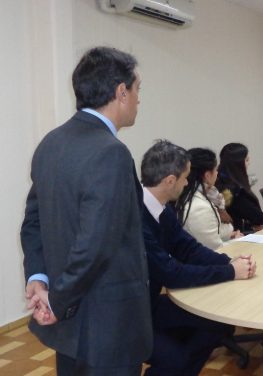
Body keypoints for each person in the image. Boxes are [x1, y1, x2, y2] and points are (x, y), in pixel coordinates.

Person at [19, 47, 152, 375]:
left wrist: (39, 278)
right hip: (107, 326)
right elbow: (96, 246)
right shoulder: (112, 153)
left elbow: (32, 221)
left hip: (69, 327)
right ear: (121, 92)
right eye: (137, 90)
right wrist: (55, 300)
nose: (138, 100)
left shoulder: (51, 143)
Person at [140, 140, 256, 376]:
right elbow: (170, 273)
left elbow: (188, 248)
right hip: (131, 314)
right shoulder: (136, 217)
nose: (187, 183)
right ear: (170, 181)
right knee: (176, 359)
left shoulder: (162, 209)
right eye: (184, 178)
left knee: (217, 322)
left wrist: (228, 262)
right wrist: (231, 272)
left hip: (149, 304)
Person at [175, 148, 240, 250]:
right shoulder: (199, 207)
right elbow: (216, 249)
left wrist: (229, 234)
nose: (217, 173)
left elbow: (211, 231)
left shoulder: (194, 194)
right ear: (207, 175)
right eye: (215, 169)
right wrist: (237, 242)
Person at [216, 143, 263, 233]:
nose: (249, 163)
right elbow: (258, 218)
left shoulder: (219, 179)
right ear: (237, 164)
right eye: (246, 160)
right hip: (236, 236)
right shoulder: (233, 190)